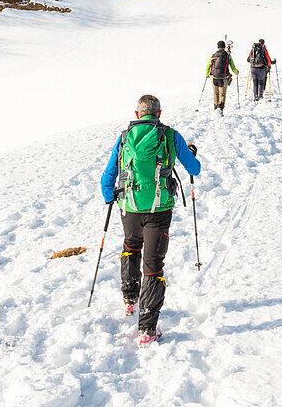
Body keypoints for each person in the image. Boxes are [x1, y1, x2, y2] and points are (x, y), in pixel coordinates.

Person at [100, 94, 201, 346]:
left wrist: (109, 195)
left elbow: (109, 174)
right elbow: (194, 169)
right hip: (159, 208)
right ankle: (147, 329)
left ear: (137, 114)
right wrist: (188, 152)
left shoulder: (124, 138)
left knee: (131, 246)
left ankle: (129, 299)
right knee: (153, 263)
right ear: (159, 113)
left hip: (129, 206)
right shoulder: (169, 135)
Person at [205, 40, 238, 115]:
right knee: (222, 94)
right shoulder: (228, 56)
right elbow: (233, 68)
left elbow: (208, 66)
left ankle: (215, 107)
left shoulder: (214, 55)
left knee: (215, 93)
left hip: (214, 77)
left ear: (218, 47)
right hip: (223, 78)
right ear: (224, 47)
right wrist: (236, 72)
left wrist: (207, 74)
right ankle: (220, 108)